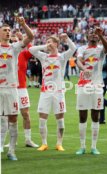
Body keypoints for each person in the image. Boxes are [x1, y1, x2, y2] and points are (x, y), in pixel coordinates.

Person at [29, 33, 76, 152]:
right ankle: (44, 143)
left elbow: (73, 49)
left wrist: (67, 39)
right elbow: (31, 49)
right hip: (45, 92)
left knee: (60, 119)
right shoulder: (43, 56)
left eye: (50, 42)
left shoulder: (62, 57)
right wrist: (44, 46)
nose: (48, 44)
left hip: (58, 92)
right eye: (47, 41)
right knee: (42, 118)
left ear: (56, 44)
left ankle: (59, 143)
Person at [0, 17, 34, 161]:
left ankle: (12, 151)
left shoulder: (14, 47)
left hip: (12, 88)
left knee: (13, 119)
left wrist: (23, 24)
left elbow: (30, 37)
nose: (8, 32)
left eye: (9, 30)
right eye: (4, 30)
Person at [75, 27, 107, 155]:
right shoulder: (81, 49)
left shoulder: (101, 49)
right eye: (91, 34)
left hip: (97, 86)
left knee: (96, 115)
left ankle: (94, 146)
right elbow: (78, 60)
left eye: (95, 34)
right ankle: (82, 146)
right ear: (87, 36)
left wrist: (101, 35)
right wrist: (84, 68)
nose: (94, 35)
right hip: (83, 85)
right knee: (82, 115)